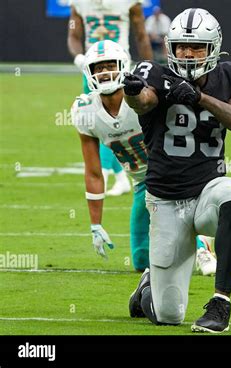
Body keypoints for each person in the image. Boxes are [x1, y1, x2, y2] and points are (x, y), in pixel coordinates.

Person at [124, 8, 231, 333]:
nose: (187, 53)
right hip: (166, 201)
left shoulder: (228, 75)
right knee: (169, 315)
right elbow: (143, 100)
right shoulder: (155, 74)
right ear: (170, 47)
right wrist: (131, 93)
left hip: (206, 194)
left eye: (196, 46)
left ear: (213, 48)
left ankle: (220, 304)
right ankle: (149, 286)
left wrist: (202, 98)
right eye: (182, 46)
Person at [71, 40, 217, 275]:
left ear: (124, 66)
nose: (105, 72)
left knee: (173, 225)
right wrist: (95, 224)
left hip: (171, 171)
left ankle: (202, 243)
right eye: (99, 67)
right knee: (141, 261)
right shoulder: (84, 111)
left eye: (110, 65)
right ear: (89, 72)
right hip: (142, 183)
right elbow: (94, 172)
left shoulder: (142, 97)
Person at [67, 0, 153, 196]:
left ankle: (107, 173)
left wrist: (149, 70)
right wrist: (79, 58)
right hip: (93, 70)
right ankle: (118, 177)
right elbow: (73, 35)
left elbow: (141, 35)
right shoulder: (80, 3)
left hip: (120, 70)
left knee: (121, 123)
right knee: (99, 121)